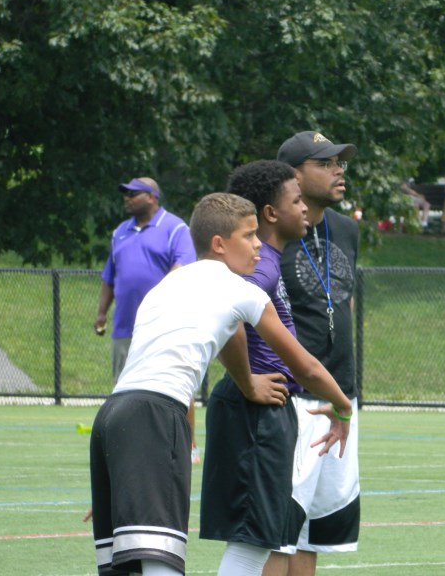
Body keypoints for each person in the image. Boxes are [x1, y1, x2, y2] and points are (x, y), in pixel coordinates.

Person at [89, 192, 352, 576]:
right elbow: (305, 367)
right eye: (248, 235)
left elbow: (231, 336)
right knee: (163, 565)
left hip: (113, 417)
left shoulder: (170, 283)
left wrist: (247, 383)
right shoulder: (241, 290)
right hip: (155, 415)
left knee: (131, 568)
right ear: (219, 244)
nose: (258, 244)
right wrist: (342, 407)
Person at [200, 161, 353, 576]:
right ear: (271, 213)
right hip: (256, 412)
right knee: (254, 543)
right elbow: (228, 312)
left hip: (264, 409)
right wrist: (247, 380)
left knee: (259, 541)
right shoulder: (262, 267)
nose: (304, 209)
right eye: (296, 201)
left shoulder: (267, 262)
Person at [272, 131, 360, 576]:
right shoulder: (271, 230)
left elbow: (343, 300)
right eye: (324, 163)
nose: (338, 170)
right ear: (294, 175)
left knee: (314, 533)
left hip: (340, 395)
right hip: (292, 397)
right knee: (278, 530)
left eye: (339, 162)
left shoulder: (346, 229)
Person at [93, 177, 202, 463]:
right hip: (125, 326)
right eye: (126, 194)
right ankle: (130, 447)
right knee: (124, 389)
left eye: (134, 194)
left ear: (152, 197)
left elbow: (183, 268)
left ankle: (188, 445)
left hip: (165, 325)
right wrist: (102, 313)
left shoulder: (175, 228)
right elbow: (109, 277)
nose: (127, 198)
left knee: (178, 385)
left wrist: (157, 302)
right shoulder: (120, 232)